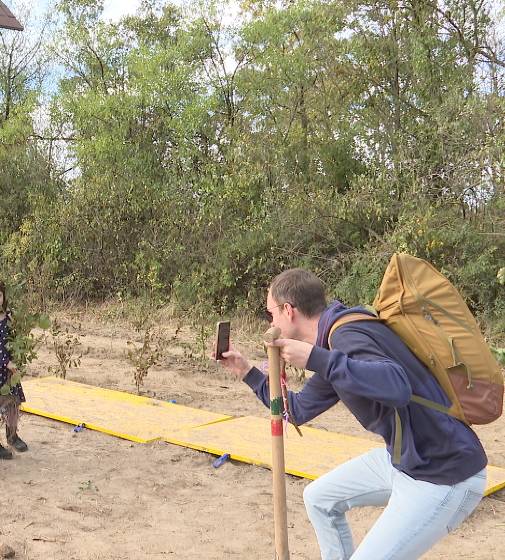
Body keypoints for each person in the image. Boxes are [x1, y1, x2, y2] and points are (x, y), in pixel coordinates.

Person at [219, 268, 487, 560]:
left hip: (443, 474)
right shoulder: (331, 345)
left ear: (288, 310)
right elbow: (295, 410)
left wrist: (314, 358)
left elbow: (396, 386)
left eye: (271, 313)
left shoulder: (346, 334)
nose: (271, 322)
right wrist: (246, 372)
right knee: (319, 499)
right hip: (406, 459)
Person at [0, 282, 28, 459]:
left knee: (12, 403)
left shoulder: (8, 317)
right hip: (3, 366)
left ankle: (12, 436)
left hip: (10, 371)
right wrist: (6, 362)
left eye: (0, 295)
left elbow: (16, 339)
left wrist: (20, 354)